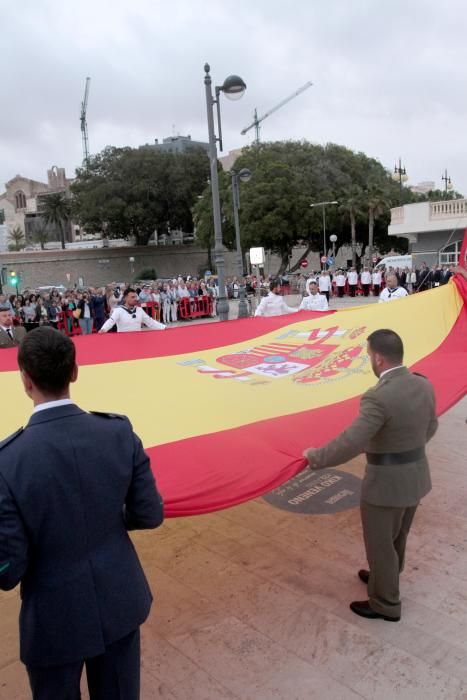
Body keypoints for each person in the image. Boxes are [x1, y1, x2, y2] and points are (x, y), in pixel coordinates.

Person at [0, 327, 164, 698]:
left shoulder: (8, 461)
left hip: (54, 617)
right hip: (120, 598)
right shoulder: (119, 433)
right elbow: (150, 513)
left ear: (25, 380)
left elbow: (8, 569)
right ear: (74, 371)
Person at [303, 329, 438, 622]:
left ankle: (385, 603)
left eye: (368, 355)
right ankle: (384, 577)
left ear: (377, 357)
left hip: (386, 483)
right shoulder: (422, 385)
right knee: (398, 537)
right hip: (415, 476)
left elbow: (352, 440)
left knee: (380, 544)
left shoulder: (378, 397)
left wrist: (316, 458)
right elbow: (430, 427)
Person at [99, 287, 166, 333]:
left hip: (137, 340)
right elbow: (111, 321)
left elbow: (150, 322)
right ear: (125, 298)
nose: (135, 299)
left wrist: (163, 327)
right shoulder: (118, 310)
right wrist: (103, 329)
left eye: (136, 297)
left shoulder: (139, 310)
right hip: (123, 341)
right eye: (132, 297)